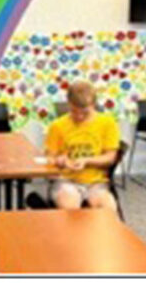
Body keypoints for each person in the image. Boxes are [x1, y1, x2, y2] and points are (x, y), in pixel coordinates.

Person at [43, 81, 120, 212]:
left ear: (94, 105)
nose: (79, 116)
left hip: (96, 182)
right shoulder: (58, 126)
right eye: (74, 111)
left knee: (108, 209)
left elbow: (110, 157)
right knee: (70, 206)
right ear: (68, 104)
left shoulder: (107, 123)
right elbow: (49, 158)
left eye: (85, 112)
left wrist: (87, 161)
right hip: (65, 180)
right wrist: (61, 161)